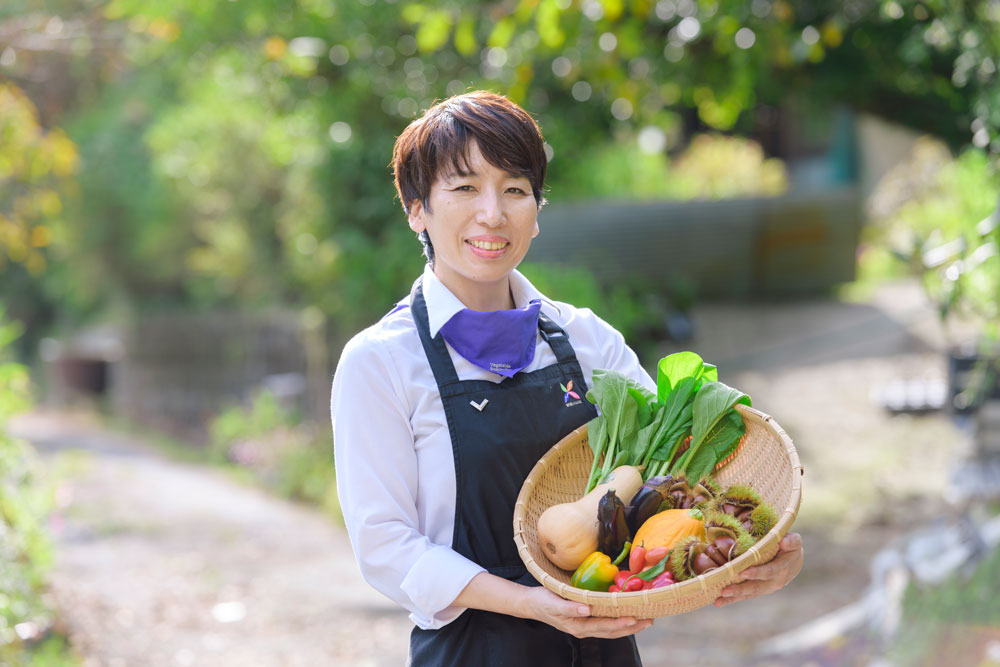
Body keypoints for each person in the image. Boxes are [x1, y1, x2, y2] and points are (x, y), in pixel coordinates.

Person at [331, 90, 804, 666]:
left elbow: (678, 470)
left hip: (602, 643)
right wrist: (532, 603)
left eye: (515, 189)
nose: (492, 213)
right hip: (475, 649)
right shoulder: (381, 361)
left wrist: (760, 547)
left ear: (536, 209)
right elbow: (385, 546)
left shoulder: (584, 338)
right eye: (463, 188)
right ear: (416, 209)